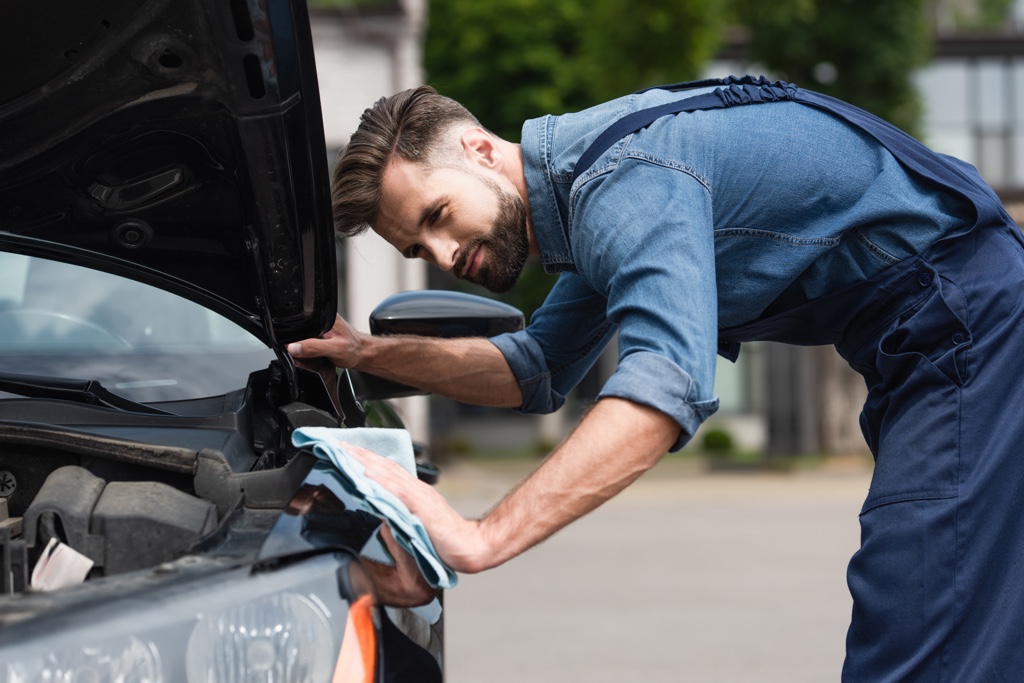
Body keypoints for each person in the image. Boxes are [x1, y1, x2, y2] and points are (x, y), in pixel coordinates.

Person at [288, 75, 1024, 680]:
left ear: (480, 149)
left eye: (438, 215)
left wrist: (478, 538)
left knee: (919, 619)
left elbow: (663, 381)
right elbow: (535, 371)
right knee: (973, 618)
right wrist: (364, 352)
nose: (444, 253)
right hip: (938, 336)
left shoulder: (623, 181)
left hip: (968, 323)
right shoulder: (583, 202)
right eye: (419, 248)